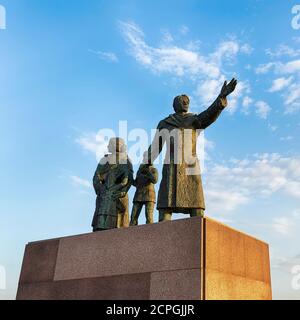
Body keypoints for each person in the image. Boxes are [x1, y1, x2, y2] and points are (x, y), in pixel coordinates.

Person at [143, 78, 238, 222]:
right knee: (166, 207)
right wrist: (146, 162)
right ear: (175, 105)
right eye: (182, 101)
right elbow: (156, 146)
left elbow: (209, 114)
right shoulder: (165, 124)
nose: (185, 103)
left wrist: (222, 97)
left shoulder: (194, 120)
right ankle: (161, 235)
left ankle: (198, 233)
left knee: (196, 205)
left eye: (186, 101)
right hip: (171, 168)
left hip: (190, 166)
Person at [92, 137, 133, 231]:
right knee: (100, 226)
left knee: (120, 226)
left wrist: (122, 191)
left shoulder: (126, 160)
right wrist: (101, 190)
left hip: (118, 196)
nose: (108, 146)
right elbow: (96, 177)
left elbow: (129, 179)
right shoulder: (105, 159)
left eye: (110, 144)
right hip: (104, 195)